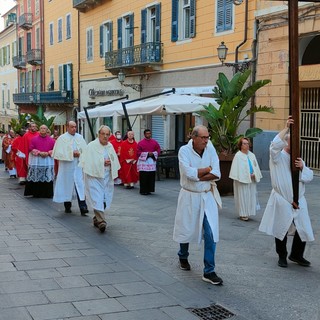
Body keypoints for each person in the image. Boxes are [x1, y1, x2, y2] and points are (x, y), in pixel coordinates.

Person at [259, 116, 314, 268]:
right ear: (286, 141)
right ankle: (282, 256)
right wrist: (285, 129)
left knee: (303, 227)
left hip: (299, 198)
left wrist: (302, 167)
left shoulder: (299, 159)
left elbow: (309, 177)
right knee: (281, 228)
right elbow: (273, 147)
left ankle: (297, 255)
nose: (295, 144)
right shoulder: (277, 156)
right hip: (282, 198)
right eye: (292, 141)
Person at [173, 125, 223, 285]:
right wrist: (207, 170)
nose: (206, 141)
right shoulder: (184, 151)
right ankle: (183, 255)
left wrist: (200, 174)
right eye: (203, 138)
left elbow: (217, 173)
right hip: (189, 195)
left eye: (207, 137)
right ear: (193, 137)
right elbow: (188, 173)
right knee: (186, 228)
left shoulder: (210, 148)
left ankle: (209, 270)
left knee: (210, 232)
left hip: (207, 195)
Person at [79, 125, 120, 233]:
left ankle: (96, 218)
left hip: (106, 177)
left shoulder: (110, 146)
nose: (105, 136)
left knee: (104, 199)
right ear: (99, 134)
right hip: (94, 177)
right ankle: (102, 221)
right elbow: (87, 162)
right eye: (103, 134)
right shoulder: (91, 146)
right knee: (97, 197)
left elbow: (114, 159)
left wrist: (111, 162)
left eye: (107, 134)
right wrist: (102, 162)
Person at [52, 121, 88, 215]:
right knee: (66, 185)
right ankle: (67, 205)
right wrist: (71, 153)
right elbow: (58, 153)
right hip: (67, 166)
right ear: (67, 127)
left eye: (75, 127)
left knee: (80, 185)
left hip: (78, 165)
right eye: (72, 127)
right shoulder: (62, 138)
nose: (74, 129)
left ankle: (83, 207)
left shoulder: (80, 137)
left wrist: (80, 154)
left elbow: (85, 151)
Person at [229, 137, 263, 221]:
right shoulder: (238, 156)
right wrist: (246, 175)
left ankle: (248, 212)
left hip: (252, 179)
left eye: (247, 143)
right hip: (242, 180)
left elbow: (255, 166)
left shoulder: (252, 155)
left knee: (250, 196)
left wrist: (255, 174)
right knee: (242, 196)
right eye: (244, 143)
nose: (247, 145)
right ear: (240, 145)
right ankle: (242, 213)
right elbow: (237, 169)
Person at [24, 125, 55, 198]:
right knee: (36, 175)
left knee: (47, 175)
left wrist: (48, 153)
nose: (43, 129)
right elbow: (31, 148)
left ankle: (47, 193)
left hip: (47, 161)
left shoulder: (51, 140)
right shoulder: (34, 139)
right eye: (41, 128)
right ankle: (36, 193)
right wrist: (39, 153)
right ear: (39, 129)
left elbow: (55, 149)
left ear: (47, 130)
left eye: (44, 128)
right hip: (37, 160)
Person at [137, 129, 161, 195]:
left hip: (151, 162)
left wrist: (153, 153)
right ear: (144, 134)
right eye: (147, 133)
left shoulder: (154, 142)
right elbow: (138, 152)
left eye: (149, 133)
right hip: (144, 162)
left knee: (151, 176)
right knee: (143, 177)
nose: (148, 134)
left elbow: (158, 149)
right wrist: (147, 154)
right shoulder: (140, 143)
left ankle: (149, 189)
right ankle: (143, 190)